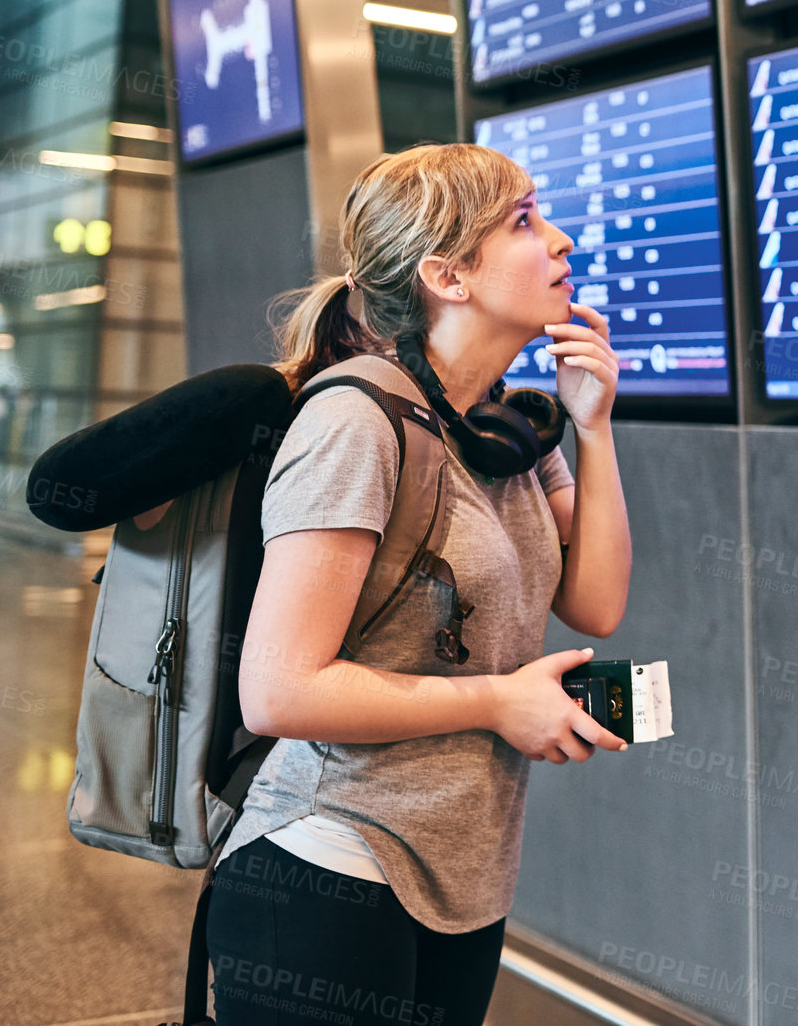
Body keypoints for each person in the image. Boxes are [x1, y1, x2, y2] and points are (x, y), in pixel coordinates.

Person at [205, 143, 632, 1025]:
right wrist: (496, 702)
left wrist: (595, 429)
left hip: (467, 870)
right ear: (448, 275)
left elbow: (596, 604)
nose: (560, 241)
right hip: (329, 864)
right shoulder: (354, 423)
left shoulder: (513, 429)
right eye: (524, 221)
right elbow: (279, 690)